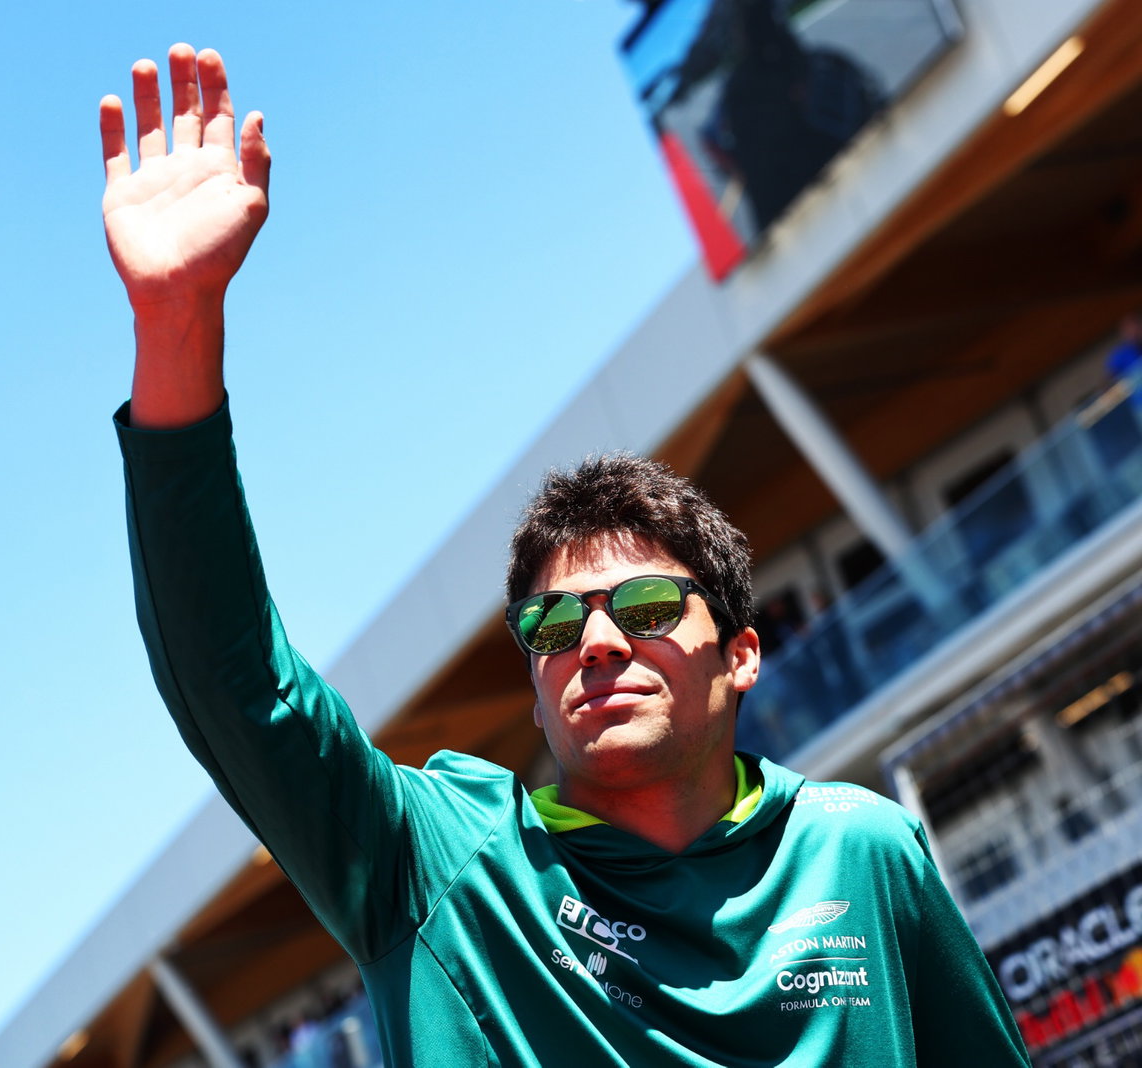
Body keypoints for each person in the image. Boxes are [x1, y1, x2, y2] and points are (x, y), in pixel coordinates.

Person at [102, 44, 1030, 1067]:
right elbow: (234, 683)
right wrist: (177, 322)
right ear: (536, 697)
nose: (591, 641)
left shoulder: (863, 854)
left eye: (641, 608)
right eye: (550, 625)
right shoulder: (442, 866)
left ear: (740, 653)